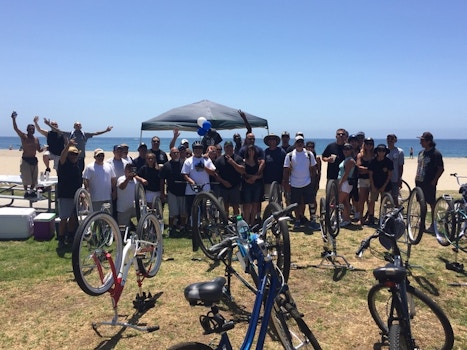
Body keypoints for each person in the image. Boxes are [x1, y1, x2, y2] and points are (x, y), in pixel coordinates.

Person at [283, 135, 319, 230]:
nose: (299, 143)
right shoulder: (290, 155)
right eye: (298, 142)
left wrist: (314, 182)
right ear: (295, 143)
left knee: (311, 202)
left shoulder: (309, 154)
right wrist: (286, 183)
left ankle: (313, 220)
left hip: (307, 182)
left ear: (303, 143)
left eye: (301, 142)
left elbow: (313, 168)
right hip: (294, 183)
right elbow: (286, 170)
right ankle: (297, 220)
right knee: (296, 204)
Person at [415, 132, 444, 233]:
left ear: (429, 141)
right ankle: (421, 224)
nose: (420, 142)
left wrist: (434, 180)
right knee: (422, 203)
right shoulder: (421, 153)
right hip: (419, 182)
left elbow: (440, 168)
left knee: (432, 203)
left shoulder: (436, 154)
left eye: (422, 140)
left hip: (429, 182)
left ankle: (433, 224)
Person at [56, 140, 83, 249]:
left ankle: (70, 237)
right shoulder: (63, 164)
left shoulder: (77, 166)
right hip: (65, 195)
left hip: (75, 195)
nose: (74, 156)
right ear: (68, 154)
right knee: (63, 218)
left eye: (76, 154)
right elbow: (62, 156)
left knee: (73, 218)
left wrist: (81, 194)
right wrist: (68, 145)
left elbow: (78, 181)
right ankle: (61, 239)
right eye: (71, 154)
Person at [182, 141, 217, 222]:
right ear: (193, 150)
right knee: (192, 210)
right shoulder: (188, 161)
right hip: (191, 190)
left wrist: (204, 167)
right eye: (196, 149)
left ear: (202, 150)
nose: (198, 150)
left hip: (205, 189)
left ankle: (204, 225)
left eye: (200, 149)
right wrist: (192, 182)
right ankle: (192, 226)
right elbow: (184, 174)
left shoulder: (207, 160)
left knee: (205, 209)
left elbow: (213, 173)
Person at [11, 111, 44, 195]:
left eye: (33, 129)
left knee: (34, 178)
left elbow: (39, 150)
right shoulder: (24, 137)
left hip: (34, 160)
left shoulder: (36, 139)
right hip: (25, 160)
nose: (31, 130)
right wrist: (13, 119)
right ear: (27, 130)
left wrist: (45, 148)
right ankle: (26, 191)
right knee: (26, 178)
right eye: (30, 129)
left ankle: (31, 191)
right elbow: (16, 128)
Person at [160, 147, 188, 235]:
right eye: (174, 153)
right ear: (170, 155)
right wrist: (162, 192)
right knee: (173, 212)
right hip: (172, 192)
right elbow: (162, 180)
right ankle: (171, 228)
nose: (176, 154)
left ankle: (183, 228)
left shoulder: (184, 164)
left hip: (183, 191)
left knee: (183, 212)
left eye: (177, 152)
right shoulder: (166, 165)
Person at [214, 141, 245, 216]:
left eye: (230, 147)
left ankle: (237, 222)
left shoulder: (238, 158)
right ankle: (225, 222)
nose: (229, 149)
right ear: (224, 148)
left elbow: (242, 170)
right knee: (225, 207)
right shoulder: (219, 160)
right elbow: (215, 174)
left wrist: (233, 163)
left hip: (235, 187)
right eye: (227, 147)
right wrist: (223, 181)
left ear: (233, 148)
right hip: (223, 187)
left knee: (236, 207)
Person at [83, 148, 117, 213]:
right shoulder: (90, 167)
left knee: (108, 217)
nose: (101, 157)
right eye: (98, 156)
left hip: (107, 197)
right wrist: (87, 192)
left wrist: (114, 191)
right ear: (94, 157)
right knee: (96, 218)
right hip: (95, 198)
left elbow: (113, 179)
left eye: (102, 155)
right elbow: (86, 180)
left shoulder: (109, 166)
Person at [367, 144, 394, 226]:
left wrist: (384, 186)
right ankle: (371, 218)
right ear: (377, 152)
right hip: (375, 185)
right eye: (379, 151)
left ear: (385, 152)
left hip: (386, 185)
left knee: (384, 202)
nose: (381, 152)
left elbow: (389, 175)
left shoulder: (389, 162)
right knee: (372, 201)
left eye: (383, 151)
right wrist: (373, 186)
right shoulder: (373, 161)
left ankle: (382, 218)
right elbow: (370, 175)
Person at [241, 144, 264, 226]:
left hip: (257, 185)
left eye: (253, 150)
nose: (251, 152)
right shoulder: (243, 161)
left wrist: (254, 178)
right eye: (249, 150)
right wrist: (249, 179)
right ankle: (246, 222)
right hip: (246, 185)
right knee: (247, 204)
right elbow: (243, 173)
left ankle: (252, 222)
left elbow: (261, 174)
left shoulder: (258, 162)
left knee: (255, 203)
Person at [356, 137, 375, 225]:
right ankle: (361, 218)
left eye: (370, 144)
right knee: (362, 200)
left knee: (371, 200)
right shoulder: (360, 155)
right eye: (367, 144)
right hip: (363, 179)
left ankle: (370, 216)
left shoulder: (375, 155)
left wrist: (367, 170)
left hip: (373, 180)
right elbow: (358, 167)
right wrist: (370, 170)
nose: (369, 146)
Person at [337, 143, 357, 227]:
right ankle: (346, 219)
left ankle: (344, 219)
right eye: (344, 149)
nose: (346, 151)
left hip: (345, 183)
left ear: (351, 150)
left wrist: (340, 184)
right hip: (344, 182)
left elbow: (346, 174)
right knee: (345, 202)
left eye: (348, 149)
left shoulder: (350, 161)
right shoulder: (346, 159)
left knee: (338, 202)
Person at [263, 133, 286, 200]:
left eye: (273, 139)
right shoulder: (265, 152)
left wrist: (284, 179)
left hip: (278, 180)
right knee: (269, 200)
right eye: (270, 139)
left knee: (277, 199)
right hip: (267, 180)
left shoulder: (281, 152)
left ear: (276, 141)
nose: (272, 141)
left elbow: (285, 167)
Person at [386, 134, 404, 206]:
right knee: (385, 197)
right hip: (385, 179)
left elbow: (400, 166)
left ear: (395, 140)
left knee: (395, 197)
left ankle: (396, 214)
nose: (390, 140)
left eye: (392, 139)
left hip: (395, 178)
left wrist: (399, 178)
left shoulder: (399, 152)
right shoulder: (383, 150)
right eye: (388, 139)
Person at [306, 140, 321, 225]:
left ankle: (313, 216)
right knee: (304, 199)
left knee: (313, 199)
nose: (310, 148)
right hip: (305, 179)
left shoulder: (317, 158)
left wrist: (318, 182)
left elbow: (319, 171)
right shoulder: (304, 156)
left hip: (313, 180)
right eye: (308, 146)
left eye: (312, 147)